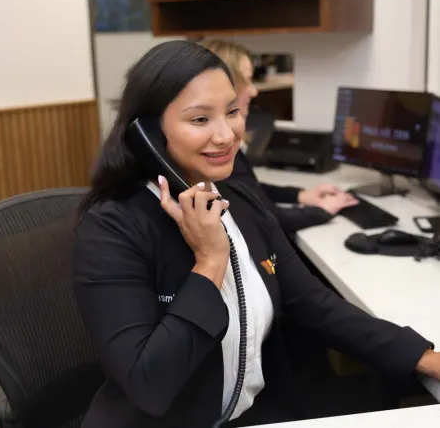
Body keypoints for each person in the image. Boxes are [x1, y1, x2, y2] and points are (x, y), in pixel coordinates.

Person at [73, 40, 440, 428]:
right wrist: (210, 263)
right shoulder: (112, 228)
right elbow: (150, 385)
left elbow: (314, 303)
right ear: (146, 131)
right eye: (200, 119)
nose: (227, 135)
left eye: (232, 112)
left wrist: (424, 356)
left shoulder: (239, 199)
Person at [199, 39, 358, 233]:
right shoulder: (217, 150)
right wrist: (322, 211)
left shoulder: (228, 146)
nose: (254, 91)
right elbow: (268, 219)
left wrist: (300, 195)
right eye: (247, 81)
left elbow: (252, 192)